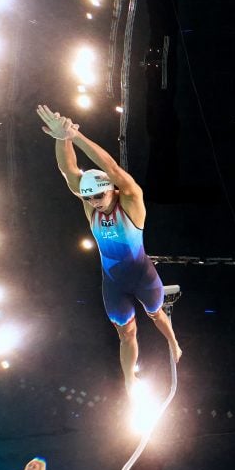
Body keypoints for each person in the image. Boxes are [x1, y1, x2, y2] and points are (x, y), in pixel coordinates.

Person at [36, 105, 181, 401]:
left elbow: (113, 169)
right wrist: (61, 137)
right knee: (126, 334)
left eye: (99, 196)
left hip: (142, 275)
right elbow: (68, 171)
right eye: (88, 198)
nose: (95, 202)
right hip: (113, 281)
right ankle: (130, 380)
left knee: (155, 314)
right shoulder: (91, 202)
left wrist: (75, 135)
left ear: (112, 190)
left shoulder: (130, 200)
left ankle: (175, 343)